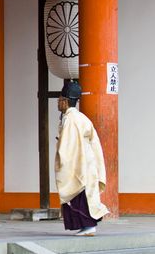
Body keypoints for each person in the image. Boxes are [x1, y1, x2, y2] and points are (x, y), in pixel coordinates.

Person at [55, 81, 109, 236]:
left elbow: (69, 145)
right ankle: (85, 226)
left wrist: (63, 162)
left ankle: (88, 226)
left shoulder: (71, 119)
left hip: (79, 163)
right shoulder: (79, 117)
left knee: (79, 193)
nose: (58, 103)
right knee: (84, 195)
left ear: (65, 101)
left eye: (59, 100)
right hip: (86, 161)